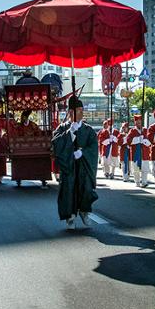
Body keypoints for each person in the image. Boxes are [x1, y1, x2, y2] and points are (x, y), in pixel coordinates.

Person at [52, 97, 98, 229]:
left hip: (84, 165)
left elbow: (94, 147)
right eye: (79, 110)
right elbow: (56, 144)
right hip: (69, 166)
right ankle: (70, 217)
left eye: (82, 110)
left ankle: (84, 212)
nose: (82, 113)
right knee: (68, 191)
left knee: (86, 189)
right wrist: (69, 133)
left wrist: (83, 153)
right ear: (71, 112)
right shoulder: (63, 128)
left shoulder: (88, 130)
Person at [126, 115, 146, 187]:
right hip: (135, 153)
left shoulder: (145, 130)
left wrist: (144, 140)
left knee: (144, 168)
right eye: (137, 122)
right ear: (135, 123)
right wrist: (137, 139)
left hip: (144, 152)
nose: (139, 123)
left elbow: (149, 139)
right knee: (136, 169)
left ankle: (144, 182)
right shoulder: (132, 131)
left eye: (140, 122)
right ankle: (137, 182)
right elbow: (128, 140)